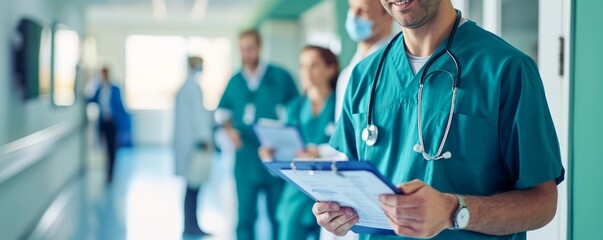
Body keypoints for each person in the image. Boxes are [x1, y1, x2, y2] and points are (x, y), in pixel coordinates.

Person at [313, 1, 565, 240]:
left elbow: (542, 203)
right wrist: (337, 212)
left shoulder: (507, 69)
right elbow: (355, 184)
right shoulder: (363, 76)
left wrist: (453, 211)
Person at [215, 29, 299, 240]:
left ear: (260, 47)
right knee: (245, 217)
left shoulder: (281, 77)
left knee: (277, 215)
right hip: (245, 157)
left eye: (250, 48)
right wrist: (229, 131)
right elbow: (222, 113)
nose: (247, 54)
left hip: (276, 155)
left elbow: (297, 111)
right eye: (243, 49)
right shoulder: (235, 81)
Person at [258, 46, 339, 240]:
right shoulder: (293, 108)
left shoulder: (341, 104)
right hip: (297, 192)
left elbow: (348, 148)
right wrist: (271, 158)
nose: (307, 72)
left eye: (314, 65)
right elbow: (286, 157)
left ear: (330, 69)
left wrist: (319, 152)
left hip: (332, 191)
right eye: (303, 66)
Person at [173, 56, 213, 237]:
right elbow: (198, 117)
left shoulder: (185, 87)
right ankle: (191, 224)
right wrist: (205, 138)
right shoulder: (193, 88)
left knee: (191, 186)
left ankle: (190, 223)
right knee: (193, 186)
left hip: (186, 144)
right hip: (195, 145)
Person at [335, 0, 394, 122]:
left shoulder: (396, 65)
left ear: (388, 14)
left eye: (364, 10)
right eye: (351, 8)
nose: (353, 15)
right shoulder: (347, 74)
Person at [88, 67, 130, 184]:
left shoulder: (115, 89)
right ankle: (108, 172)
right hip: (103, 123)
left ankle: (110, 173)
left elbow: (120, 107)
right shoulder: (99, 89)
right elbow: (91, 99)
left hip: (113, 123)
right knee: (104, 147)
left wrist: (125, 125)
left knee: (112, 149)